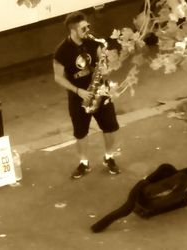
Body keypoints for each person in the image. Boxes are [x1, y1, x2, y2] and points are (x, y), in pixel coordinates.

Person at [53, 11, 121, 179]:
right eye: (84, 28)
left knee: (110, 126)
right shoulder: (62, 51)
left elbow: (104, 64)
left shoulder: (93, 43)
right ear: (73, 30)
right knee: (81, 132)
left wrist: (106, 72)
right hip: (79, 97)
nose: (88, 30)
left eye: (88, 26)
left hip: (100, 91)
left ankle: (109, 157)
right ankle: (84, 162)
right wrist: (78, 91)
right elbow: (57, 77)